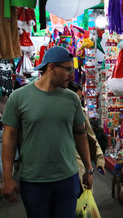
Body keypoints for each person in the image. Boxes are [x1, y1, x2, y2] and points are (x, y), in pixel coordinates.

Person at [1, 46, 93, 218]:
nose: (72, 75)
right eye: (68, 69)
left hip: (67, 178)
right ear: (51, 67)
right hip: (34, 181)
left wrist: (88, 169)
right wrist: (7, 178)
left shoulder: (72, 98)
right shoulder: (19, 97)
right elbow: (9, 139)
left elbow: (80, 135)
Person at [67, 81, 105, 196]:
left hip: (80, 161)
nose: (78, 102)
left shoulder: (81, 113)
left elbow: (90, 136)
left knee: (83, 200)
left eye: (80, 99)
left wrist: (99, 158)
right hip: (62, 165)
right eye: (76, 99)